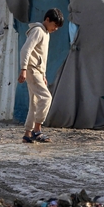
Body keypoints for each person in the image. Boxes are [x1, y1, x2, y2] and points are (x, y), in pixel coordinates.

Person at [18, 8, 64, 143]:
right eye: (54, 25)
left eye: (57, 27)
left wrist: (43, 74)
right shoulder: (38, 31)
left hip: (37, 71)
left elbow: (41, 56)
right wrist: (24, 69)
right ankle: (37, 130)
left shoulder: (45, 33)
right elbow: (26, 50)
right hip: (32, 69)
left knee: (35, 102)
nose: (55, 29)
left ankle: (27, 133)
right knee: (46, 98)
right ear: (47, 20)